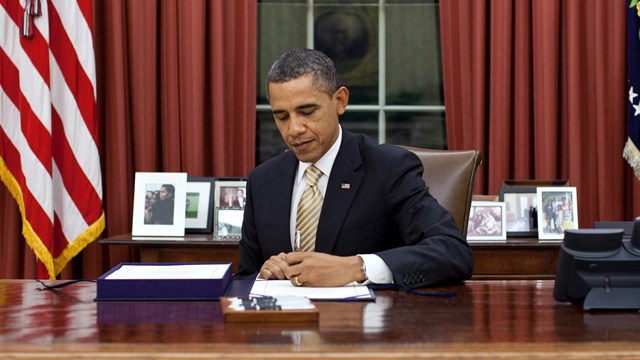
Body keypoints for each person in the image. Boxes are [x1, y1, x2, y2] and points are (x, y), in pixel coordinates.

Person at [236, 48, 473, 289]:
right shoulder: (262, 181)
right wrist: (263, 275)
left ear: (340, 101)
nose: (294, 128)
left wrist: (356, 268)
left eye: (307, 112)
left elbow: (452, 252)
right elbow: (245, 276)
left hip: (366, 321)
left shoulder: (388, 168)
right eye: (282, 117)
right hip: (285, 322)